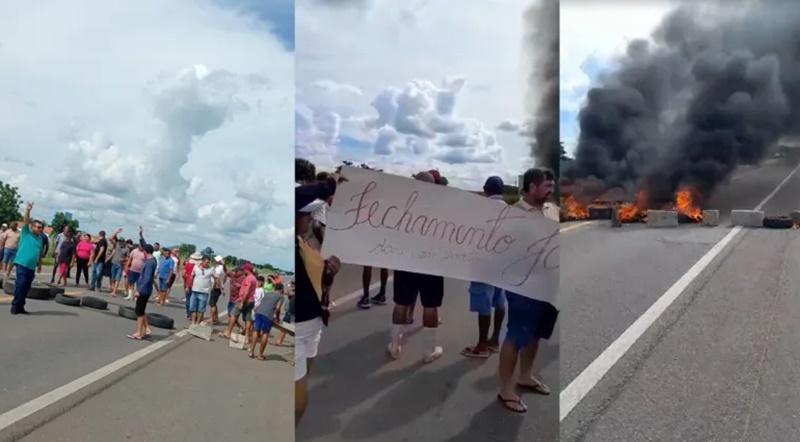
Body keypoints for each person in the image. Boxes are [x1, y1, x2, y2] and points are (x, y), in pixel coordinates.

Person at [496, 167, 559, 414]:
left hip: (549, 285)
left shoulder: (552, 210)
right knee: (516, 336)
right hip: (523, 286)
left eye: (552, 186)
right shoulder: (514, 215)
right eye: (547, 186)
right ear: (532, 187)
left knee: (535, 334)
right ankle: (506, 390)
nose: (551, 191)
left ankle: (525, 375)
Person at [295, 176, 343, 426]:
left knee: (302, 379)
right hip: (298, 327)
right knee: (297, 403)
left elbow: (316, 280)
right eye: (304, 215)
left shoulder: (302, 243)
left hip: (313, 324)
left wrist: (329, 272)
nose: (309, 219)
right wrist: (330, 185)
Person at [386, 172, 445, 363]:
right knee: (431, 306)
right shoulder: (440, 208)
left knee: (401, 303)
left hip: (405, 261)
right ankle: (429, 350)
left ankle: (395, 346)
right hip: (431, 263)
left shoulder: (403, 205)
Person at [461, 176, 508, 359]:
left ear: (485, 189)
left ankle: (482, 346)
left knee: (484, 303)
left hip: (484, 263)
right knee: (499, 300)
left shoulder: (482, 210)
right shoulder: (509, 211)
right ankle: (494, 340)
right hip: (502, 263)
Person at [9, 202, 44, 315]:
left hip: (32, 266)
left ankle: (21, 306)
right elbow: (25, 221)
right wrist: (28, 210)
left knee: (26, 287)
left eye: (41, 228)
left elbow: (39, 253)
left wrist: (39, 265)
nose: (40, 229)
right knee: (21, 285)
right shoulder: (26, 233)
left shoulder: (40, 239)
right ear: (32, 227)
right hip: (22, 264)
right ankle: (15, 306)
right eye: (38, 227)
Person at [250, 276, 284, 360]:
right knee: (265, 333)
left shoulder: (268, 293)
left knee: (256, 331)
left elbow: (262, 303)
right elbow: (278, 308)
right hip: (267, 315)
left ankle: (251, 352)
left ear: (274, 288)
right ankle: (260, 355)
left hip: (259, 312)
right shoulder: (281, 296)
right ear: (281, 290)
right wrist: (277, 317)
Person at [221, 262, 257, 340]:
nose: (244, 271)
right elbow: (227, 271)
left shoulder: (248, 278)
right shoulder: (253, 278)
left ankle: (228, 332)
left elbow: (247, 291)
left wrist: (242, 302)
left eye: (244, 269)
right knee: (247, 319)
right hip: (250, 300)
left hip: (245, 300)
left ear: (247, 270)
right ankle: (246, 336)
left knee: (233, 315)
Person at [128, 243, 157, 340]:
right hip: (145, 289)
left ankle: (138, 333)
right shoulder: (152, 260)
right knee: (140, 310)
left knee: (139, 311)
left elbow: (147, 278)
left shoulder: (149, 263)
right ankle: (147, 329)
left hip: (144, 290)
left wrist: (139, 290)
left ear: (145, 251)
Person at [187, 256, 216, 326]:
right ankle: (193, 323)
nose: (207, 264)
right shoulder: (196, 267)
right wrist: (188, 286)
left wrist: (214, 285)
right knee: (193, 308)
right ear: (202, 261)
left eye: (208, 262)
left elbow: (216, 277)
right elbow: (192, 276)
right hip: (195, 291)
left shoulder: (211, 269)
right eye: (206, 262)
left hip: (204, 292)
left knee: (201, 309)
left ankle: (197, 324)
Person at [125, 227, 148, 300]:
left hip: (140, 271)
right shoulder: (134, 251)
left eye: (142, 246)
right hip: (132, 270)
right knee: (131, 282)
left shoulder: (145, 253)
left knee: (139, 284)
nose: (141, 247)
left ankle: (136, 296)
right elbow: (130, 259)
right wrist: (127, 267)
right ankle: (130, 295)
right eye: (140, 245)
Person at [106, 228, 126, 297]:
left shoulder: (126, 249)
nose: (120, 242)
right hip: (114, 263)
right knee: (113, 278)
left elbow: (128, 258)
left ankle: (114, 291)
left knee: (117, 278)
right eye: (119, 241)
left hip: (120, 265)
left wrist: (124, 259)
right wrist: (117, 232)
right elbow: (111, 238)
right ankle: (113, 289)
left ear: (124, 242)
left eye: (122, 241)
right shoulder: (116, 245)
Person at [208, 255, 226, 325]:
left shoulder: (218, 268)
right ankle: (216, 318)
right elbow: (225, 278)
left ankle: (212, 318)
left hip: (216, 287)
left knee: (212, 304)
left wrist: (219, 287)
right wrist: (222, 286)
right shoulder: (222, 268)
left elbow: (217, 278)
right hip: (219, 287)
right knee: (214, 303)